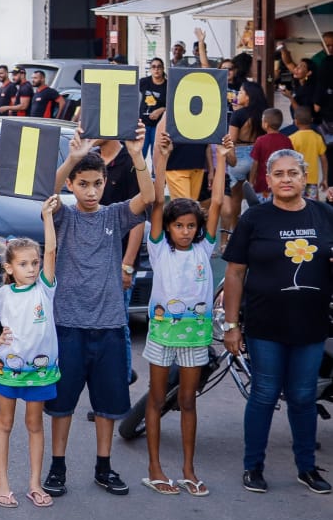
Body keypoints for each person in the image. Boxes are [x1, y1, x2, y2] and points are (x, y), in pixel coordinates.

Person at [43, 126, 153, 499]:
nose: (91, 191)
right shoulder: (64, 217)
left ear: (106, 182)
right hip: (68, 326)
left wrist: (137, 154)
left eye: (97, 183)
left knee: (107, 406)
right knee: (61, 406)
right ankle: (57, 467)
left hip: (108, 327)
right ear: (71, 185)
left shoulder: (115, 216)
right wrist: (71, 158)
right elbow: (45, 193)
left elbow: (149, 197)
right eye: (83, 183)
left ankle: (103, 466)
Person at [222, 148, 333, 495]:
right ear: (267, 180)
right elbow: (235, 273)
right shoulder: (255, 218)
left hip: (312, 325)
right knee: (265, 394)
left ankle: (306, 468)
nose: (286, 179)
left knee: (302, 397)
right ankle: (253, 466)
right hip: (264, 325)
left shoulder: (325, 213)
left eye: (293, 173)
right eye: (279, 174)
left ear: (304, 178)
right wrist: (230, 325)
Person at [139, 132, 224, 497]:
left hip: (196, 337)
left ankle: (188, 469)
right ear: (168, 228)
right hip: (162, 335)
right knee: (156, 400)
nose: (186, 232)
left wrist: (220, 156)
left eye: (191, 226)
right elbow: (157, 201)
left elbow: (217, 199)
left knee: (187, 402)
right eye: (179, 226)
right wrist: (162, 157)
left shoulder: (204, 249)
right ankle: (155, 467)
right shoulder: (160, 250)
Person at [0, 199, 60, 509]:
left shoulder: (44, 288)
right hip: (9, 369)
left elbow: (50, 250)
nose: (32, 268)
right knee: (5, 424)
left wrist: (47, 216)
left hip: (41, 371)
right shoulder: (4, 294)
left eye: (34, 263)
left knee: (35, 424)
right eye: (24, 264)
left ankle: (34, 483)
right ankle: (3, 483)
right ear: (9, 267)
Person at [290, 107, 326, 200]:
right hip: (312, 180)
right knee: (312, 206)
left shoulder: (292, 139)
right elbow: (323, 159)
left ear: (295, 122)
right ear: (312, 120)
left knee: (296, 205)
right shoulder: (317, 137)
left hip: (296, 179)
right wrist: (325, 178)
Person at [139, 58, 167, 146]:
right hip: (143, 124)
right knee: (140, 153)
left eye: (159, 67)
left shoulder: (168, 85)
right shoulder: (143, 82)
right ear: (150, 69)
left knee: (156, 154)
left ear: (163, 69)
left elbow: (173, 105)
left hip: (159, 125)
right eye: (153, 67)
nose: (156, 69)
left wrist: (162, 109)